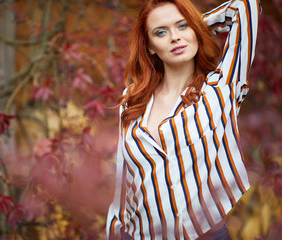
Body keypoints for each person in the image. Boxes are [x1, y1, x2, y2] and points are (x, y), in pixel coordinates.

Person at [106, 0, 261, 239]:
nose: (174, 37)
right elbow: (123, 180)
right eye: (161, 32)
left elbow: (245, 6)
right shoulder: (132, 100)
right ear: (150, 47)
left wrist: (197, 27)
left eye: (182, 26)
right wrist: (114, 231)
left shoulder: (222, 87)